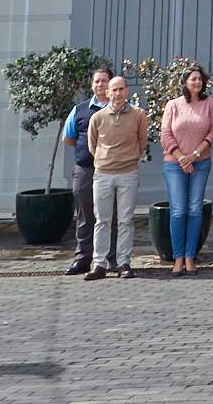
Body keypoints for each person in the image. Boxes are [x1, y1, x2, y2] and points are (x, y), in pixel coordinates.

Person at [84, 75, 146, 280]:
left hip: (128, 172)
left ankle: (124, 263)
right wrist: (105, 160)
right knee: (102, 220)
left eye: (121, 89)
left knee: (125, 220)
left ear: (126, 91)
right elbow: (93, 145)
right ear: (107, 93)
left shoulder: (138, 115)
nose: (118, 93)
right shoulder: (98, 117)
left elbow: (142, 142)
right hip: (103, 174)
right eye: (114, 90)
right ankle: (99, 263)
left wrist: (128, 158)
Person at [159, 64, 213, 276]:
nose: (197, 82)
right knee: (178, 210)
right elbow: (165, 134)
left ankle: (190, 256)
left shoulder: (209, 103)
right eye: (193, 79)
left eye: (200, 79)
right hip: (174, 164)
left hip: (200, 163)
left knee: (194, 210)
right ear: (185, 81)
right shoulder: (173, 105)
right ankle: (178, 257)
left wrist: (194, 156)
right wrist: (181, 157)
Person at [61, 65, 114, 276]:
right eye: (97, 81)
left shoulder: (120, 107)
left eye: (104, 81)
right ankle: (83, 258)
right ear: (92, 85)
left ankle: (111, 259)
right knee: (85, 216)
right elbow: (69, 138)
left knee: (110, 215)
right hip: (85, 170)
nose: (100, 84)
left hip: (112, 170)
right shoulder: (80, 109)